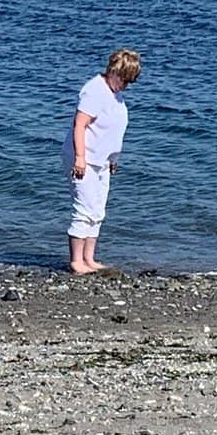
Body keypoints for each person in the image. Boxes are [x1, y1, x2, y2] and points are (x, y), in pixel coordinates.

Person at [63, 48, 141, 274]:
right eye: (125, 80)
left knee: (97, 210)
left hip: (102, 161)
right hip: (84, 158)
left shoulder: (115, 94)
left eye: (130, 81)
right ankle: (76, 261)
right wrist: (80, 158)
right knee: (84, 209)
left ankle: (89, 258)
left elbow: (111, 130)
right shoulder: (94, 91)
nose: (126, 85)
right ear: (115, 72)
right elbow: (79, 124)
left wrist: (113, 157)